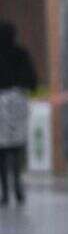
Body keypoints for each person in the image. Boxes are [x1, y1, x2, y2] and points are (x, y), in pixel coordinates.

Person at [0, 21, 38, 207]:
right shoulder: (21, 53)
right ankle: (18, 185)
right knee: (16, 146)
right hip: (17, 101)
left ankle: (4, 192)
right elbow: (31, 79)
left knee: (1, 149)